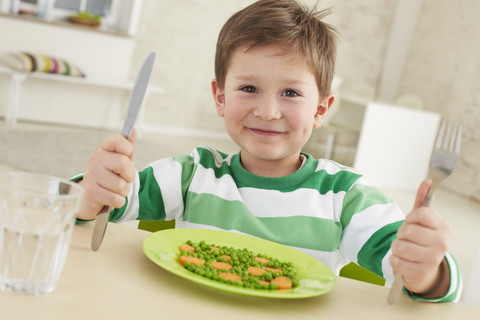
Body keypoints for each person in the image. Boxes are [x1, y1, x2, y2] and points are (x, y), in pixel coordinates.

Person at [75, 0, 461, 302]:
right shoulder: (193, 173)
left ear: (321, 109)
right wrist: (93, 191)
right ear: (221, 97)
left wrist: (426, 268)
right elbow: (102, 205)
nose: (267, 111)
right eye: (249, 89)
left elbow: (415, 275)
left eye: (291, 93)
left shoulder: (345, 197)